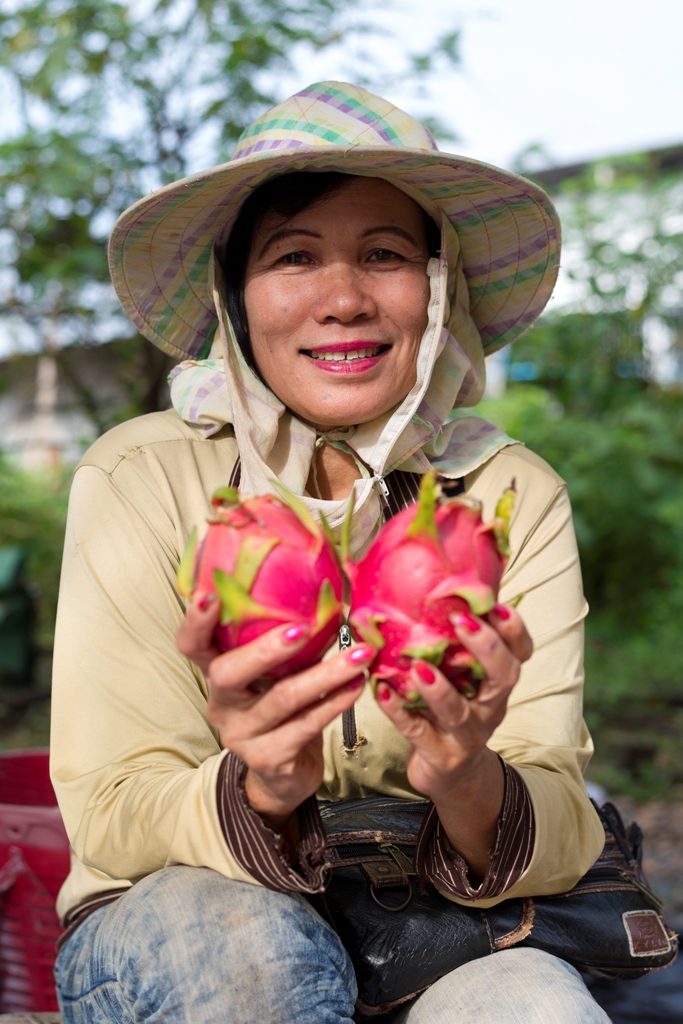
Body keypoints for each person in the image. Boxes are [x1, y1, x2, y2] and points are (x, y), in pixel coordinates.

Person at [50, 82, 610, 1023]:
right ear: (235, 291)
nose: (344, 298)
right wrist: (259, 783)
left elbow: (561, 819)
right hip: (178, 913)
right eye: (294, 257)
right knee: (255, 956)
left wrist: (467, 774)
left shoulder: (510, 496)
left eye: (385, 256)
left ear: (436, 292)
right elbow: (111, 806)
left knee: (537, 1005)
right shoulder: (139, 478)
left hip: (436, 925)